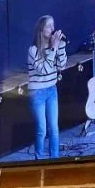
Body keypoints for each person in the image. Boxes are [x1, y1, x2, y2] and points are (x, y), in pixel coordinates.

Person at [27, 15, 67, 159]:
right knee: (42, 129)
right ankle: (39, 159)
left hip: (52, 90)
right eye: (49, 26)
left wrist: (60, 48)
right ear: (41, 29)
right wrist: (54, 49)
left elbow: (61, 65)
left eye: (53, 25)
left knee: (54, 128)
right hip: (37, 92)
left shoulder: (54, 48)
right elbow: (43, 69)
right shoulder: (33, 50)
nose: (52, 29)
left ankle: (54, 159)